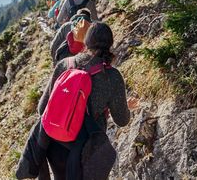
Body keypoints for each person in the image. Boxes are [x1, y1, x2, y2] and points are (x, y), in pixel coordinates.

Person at [38, 22, 131, 179]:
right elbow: (122, 120)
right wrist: (127, 107)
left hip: (56, 143)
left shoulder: (65, 64)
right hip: (88, 149)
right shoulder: (112, 76)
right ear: (109, 45)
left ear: (86, 42)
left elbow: (42, 109)